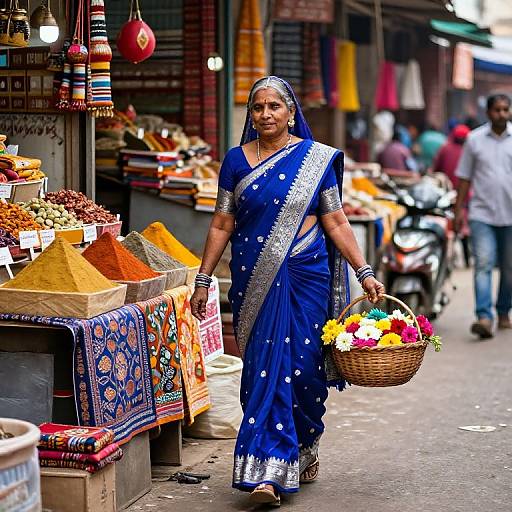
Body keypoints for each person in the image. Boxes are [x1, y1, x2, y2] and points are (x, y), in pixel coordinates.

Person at [190, 76, 385, 506]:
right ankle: (267, 472)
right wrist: (203, 278)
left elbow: (335, 221)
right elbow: (222, 223)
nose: (265, 114)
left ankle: (305, 443)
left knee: (303, 368)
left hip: (306, 275)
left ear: (291, 111)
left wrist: (364, 270)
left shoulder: (315, 159)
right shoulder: (236, 161)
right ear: (250, 114)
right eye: (257, 107)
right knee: (264, 367)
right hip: (253, 279)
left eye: (274, 106)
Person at [454, 94, 512, 339]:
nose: (501, 114)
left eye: (505, 109)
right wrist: (458, 211)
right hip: (481, 213)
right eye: (497, 110)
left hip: (510, 215)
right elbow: (465, 177)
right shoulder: (474, 140)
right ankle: (484, 317)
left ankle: (502, 312)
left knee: (509, 269)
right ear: (488, 113)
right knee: (483, 264)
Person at [433, 124, 471, 266]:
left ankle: (448, 261)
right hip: (466, 195)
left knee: (449, 225)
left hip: (447, 194)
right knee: (464, 228)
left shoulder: (445, 149)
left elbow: (436, 169)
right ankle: (467, 259)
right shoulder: (469, 151)